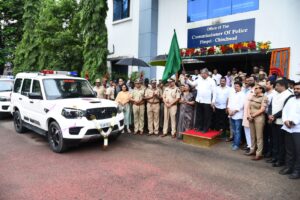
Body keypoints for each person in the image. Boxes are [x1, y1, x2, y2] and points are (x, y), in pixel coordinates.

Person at [267, 79, 294, 167]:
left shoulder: (289, 95)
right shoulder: (275, 94)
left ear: (282, 86)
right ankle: (275, 157)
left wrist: (274, 116)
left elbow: (285, 109)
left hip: (282, 123)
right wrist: (270, 115)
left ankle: (280, 160)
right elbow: (270, 106)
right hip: (273, 121)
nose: (275, 87)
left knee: (281, 143)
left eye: (277, 85)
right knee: (274, 141)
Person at [280, 82, 300, 179]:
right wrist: (285, 120)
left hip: (298, 129)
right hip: (288, 128)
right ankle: (289, 167)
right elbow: (285, 111)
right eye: (295, 88)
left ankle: (297, 171)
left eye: (298, 89)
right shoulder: (291, 99)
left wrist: (293, 122)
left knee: (298, 151)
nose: (296, 90)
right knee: (289, 150)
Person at [187, 68, 216, 133]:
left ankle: (205, 128)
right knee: (199, 115)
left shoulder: (211, 81)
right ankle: (199, 127)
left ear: (207, 73)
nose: (202, 75)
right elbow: (192, 84)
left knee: (206, 116)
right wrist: (187, 80)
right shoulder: (199, 79)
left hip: (207, 101)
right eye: (201, 73)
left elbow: (214, 92)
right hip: (199, 100)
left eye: (203, 73)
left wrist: (213, 101)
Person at [246, 84, 268, 160]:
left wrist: (253, 115)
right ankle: (252, 150)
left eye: (256, 88)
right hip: (251, 117)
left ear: (261, 89)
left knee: (259, 137)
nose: (255, 89)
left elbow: (262, 109)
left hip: (259, 118)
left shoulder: (264, 97)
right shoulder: (253, 96)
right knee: (252, 135)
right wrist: (249, 115)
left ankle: (259, 154)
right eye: (255, 88)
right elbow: (248, 107)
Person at [227, 81, 246, 151]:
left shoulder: (243, 94)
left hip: (238, 115)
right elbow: (229, 103)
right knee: (234, 130)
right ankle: (235, 142)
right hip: (231, 114)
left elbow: (241, 105)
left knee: (238, 130)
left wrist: (234, 112)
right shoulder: (232, 94)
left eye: (237, 86)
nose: (235, 87)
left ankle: (237, 144)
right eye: (235, 86)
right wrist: (229, 110)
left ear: (241, 87)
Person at [263, 80, 277, 158]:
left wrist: (270, 116)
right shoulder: (265, 93)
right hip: (264, 115)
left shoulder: (274, 94)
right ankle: (265, 150)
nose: (265, 85)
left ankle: (270, 152)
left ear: (272, 85)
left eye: (267, 84)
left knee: (270, 136)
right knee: (265, 134)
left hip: (270, 116)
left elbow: (272, 107)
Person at [242, 77, 255, 153]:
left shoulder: (256, 89)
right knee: (246, 129)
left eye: (251, 80)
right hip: (245, 113)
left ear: (254, 81)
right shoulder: (247, 90)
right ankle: (249, 145)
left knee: (251, 131)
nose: (249, 81)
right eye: (249, 80)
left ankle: (252, 147)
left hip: (251, 113)